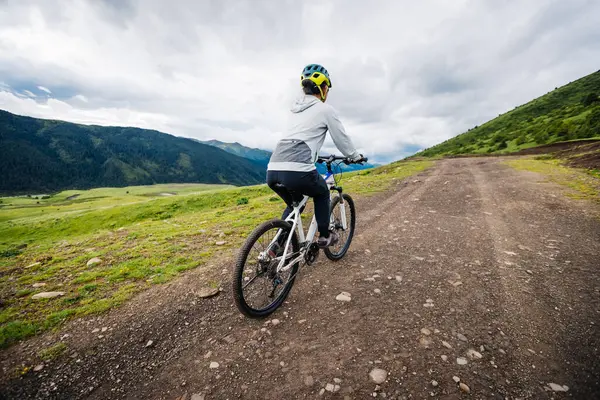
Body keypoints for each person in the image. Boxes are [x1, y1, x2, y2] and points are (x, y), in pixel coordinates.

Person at [267, 64, 363, 248]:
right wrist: (355, 156)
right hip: (297, 170)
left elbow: (301, 137)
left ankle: (276, 246)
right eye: (327, 86)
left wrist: (314, 155)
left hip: (273, 169)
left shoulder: (293, 110)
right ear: (323, 87)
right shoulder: (325, 110)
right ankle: (325, 236)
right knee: (322, 192)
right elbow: (341, 139)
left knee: (296, 204)